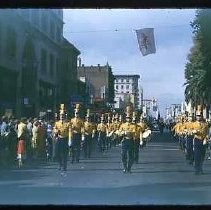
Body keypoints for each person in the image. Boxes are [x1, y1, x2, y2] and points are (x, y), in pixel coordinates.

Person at [192, 107, 209, 175]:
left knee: (202, 155)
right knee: (197, 155)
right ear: (196, 117)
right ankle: (197, 169)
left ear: (202, 116)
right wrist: (193, 131)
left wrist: (206, 139)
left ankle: (201, 168)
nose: (199, 117)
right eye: (197, 116)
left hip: (203, 140)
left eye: (200, 116)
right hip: (197, 139)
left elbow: (207, 133)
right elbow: (190, 131)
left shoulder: (205, 124)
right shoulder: (193, 124)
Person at [118, 106, 136, 173]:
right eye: (127, 118)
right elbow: (119, 132)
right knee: (123, 155)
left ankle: (129, 168)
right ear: (126, 119)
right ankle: (125, 167)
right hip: (124, 141)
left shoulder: (133, 125)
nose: (128, 119)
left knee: (131, 156)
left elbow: (134, 132)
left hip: (131, 140)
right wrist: (123, 133)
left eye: (129, 118)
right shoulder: (122, 125)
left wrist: (128, 132)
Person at [53, 104, 71, 172]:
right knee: (58, 153)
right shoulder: (57, 123)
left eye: (63, 116)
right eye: (61, 116)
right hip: (59, 139)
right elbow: (54, 129)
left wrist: (70, 140)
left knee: (64, 154)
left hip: (65, 139)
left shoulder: (68, 123)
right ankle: (60, 164)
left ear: (65, 116)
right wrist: (55, 131)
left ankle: (64, 166)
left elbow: (70, 131)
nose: (62, 117)